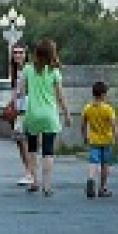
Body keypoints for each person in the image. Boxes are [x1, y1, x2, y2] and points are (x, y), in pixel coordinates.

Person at [22, 38, 71, 197]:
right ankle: (47, 185)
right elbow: (60, 96)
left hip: (33, 114)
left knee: (32, 149)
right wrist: (67, 113)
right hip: (50, 115)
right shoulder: (54, 72)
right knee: (48, 151)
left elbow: (21, 92)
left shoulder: (28, 69)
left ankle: (34, 181)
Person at [82, 81, 118, 198]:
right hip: (107, 141)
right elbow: (114, 127)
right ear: (104, 94)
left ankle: (90, 179)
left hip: (94, 141)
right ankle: (103, 188)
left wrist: (85, 136)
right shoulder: (108, 109)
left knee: (93, 163)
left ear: (93, 94)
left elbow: (83, 125)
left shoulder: (88, 108)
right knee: (105, 164)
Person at [7, 44, 33, 186]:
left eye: (20, 52)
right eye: (15, 53)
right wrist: (11, 103)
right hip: (18, 109)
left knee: (25, 141)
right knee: (20, 141)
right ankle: (29, 171)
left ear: (26, 54)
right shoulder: (14, 70)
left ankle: (30, 173)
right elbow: (15, 90)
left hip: (27, 109)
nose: (17, 55)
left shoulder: (28, 70)